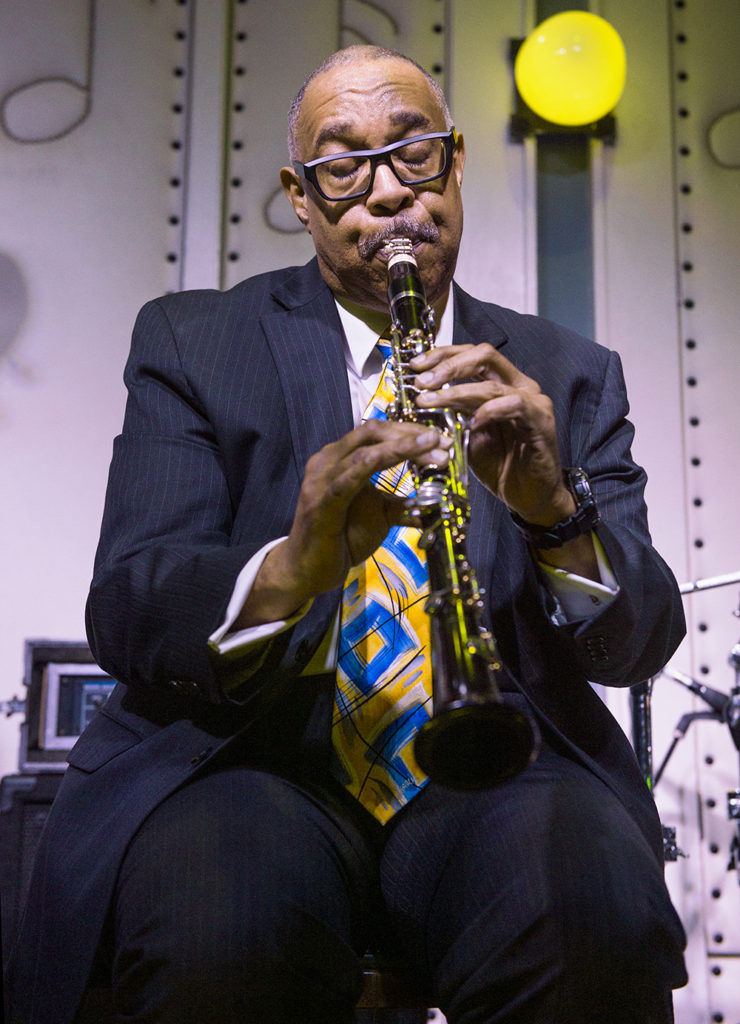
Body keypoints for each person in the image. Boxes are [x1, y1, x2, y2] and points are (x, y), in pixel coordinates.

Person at [6, 45, 687, 1024]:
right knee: (217, 930)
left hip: (496, 769)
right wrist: (292, 566)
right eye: (342, 165)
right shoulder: (196, 341)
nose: (385, 194)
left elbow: (632, 642)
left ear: (452, 163)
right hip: (248, 760)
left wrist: (550, 511)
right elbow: (132, 603)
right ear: (300, 194)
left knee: (588, 908)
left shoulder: (564, 371)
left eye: (411, 154)